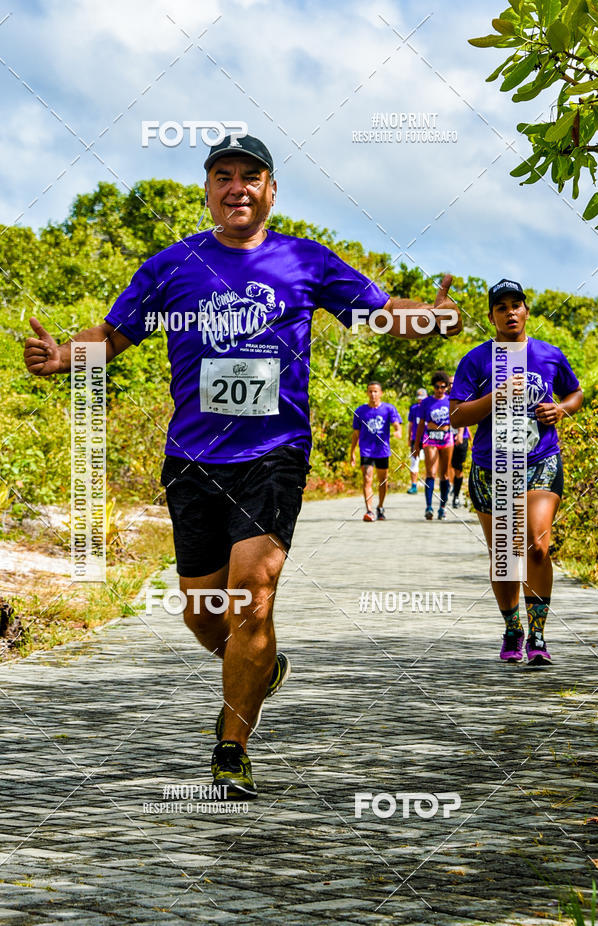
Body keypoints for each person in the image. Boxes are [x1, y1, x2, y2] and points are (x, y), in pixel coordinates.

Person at [23, 133, 462, 798]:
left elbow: (381, 314)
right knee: (205, 615)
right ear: (208, 190)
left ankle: (232, 749)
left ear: (271, 190)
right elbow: (113, 336)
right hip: (193, 458)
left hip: (274, 454)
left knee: (251, 597)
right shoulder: (172, 265)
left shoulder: (305, 260)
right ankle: (261, 668)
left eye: (250, 176)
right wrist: (65, 357)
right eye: (223, 175)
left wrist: (431, 319)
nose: (237, 187)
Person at [450, 279, 582, 666]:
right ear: (492, 316)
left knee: (537, 545)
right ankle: (513, 629)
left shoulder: (549, 354)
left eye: (516, 305)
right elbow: (456, 414)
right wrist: (497, 397)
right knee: (505, 554)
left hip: (540, 460)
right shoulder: (476, 360)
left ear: (526, 311)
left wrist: (561, 409)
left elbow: (575, 393)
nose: (510, 312)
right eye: (501, 307)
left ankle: (538, 635)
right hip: (491, 467)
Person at [350, 382, 402, 521]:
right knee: (367, 479)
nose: (373, 394)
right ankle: (369, 511)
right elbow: (356, 433)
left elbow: (396, 424)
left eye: (375, 391)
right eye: (370, 391)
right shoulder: (360, 411)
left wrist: (398, 431)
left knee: (383, 481)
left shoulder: (388, 409)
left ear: (381, 393)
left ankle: (380, 506)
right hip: (366, 450)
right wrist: (352, 452)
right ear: (367, 393)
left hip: (382, 450)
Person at [414, 370, 454, 520]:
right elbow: (421, 424)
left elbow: (458, 418)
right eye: (437, 387)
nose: (440, 390)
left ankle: (443, 507)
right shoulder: (426, 402)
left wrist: (461, 434)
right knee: (431, 472)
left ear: (446, 387)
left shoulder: (450, 400)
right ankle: (429, 506)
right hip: (430, 436)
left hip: (446, 436)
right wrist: (417, 444)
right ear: (433, 387)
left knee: (444, 473)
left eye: (443, 387)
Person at [448, 373, 471, 508]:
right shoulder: (444, 399)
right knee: (448, 466)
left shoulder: (463, 396)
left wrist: (461, 434)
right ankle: (449, 489)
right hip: (446, 438)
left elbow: (463, 417)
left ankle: (456, 496)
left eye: (453, 383)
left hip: (460, 438)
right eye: (449, 383)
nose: (451, 385)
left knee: (458, 468)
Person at [406, 387, 428, 494]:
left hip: (429, 439)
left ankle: (430, 484)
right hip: (416, 439)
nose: (420, 400)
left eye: (422, 398)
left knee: (430, 462)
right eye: (419, 398)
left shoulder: (430, 407)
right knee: (414, 461)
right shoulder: (414, 408)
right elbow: (410, 424)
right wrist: (409, 437)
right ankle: (414, 485)